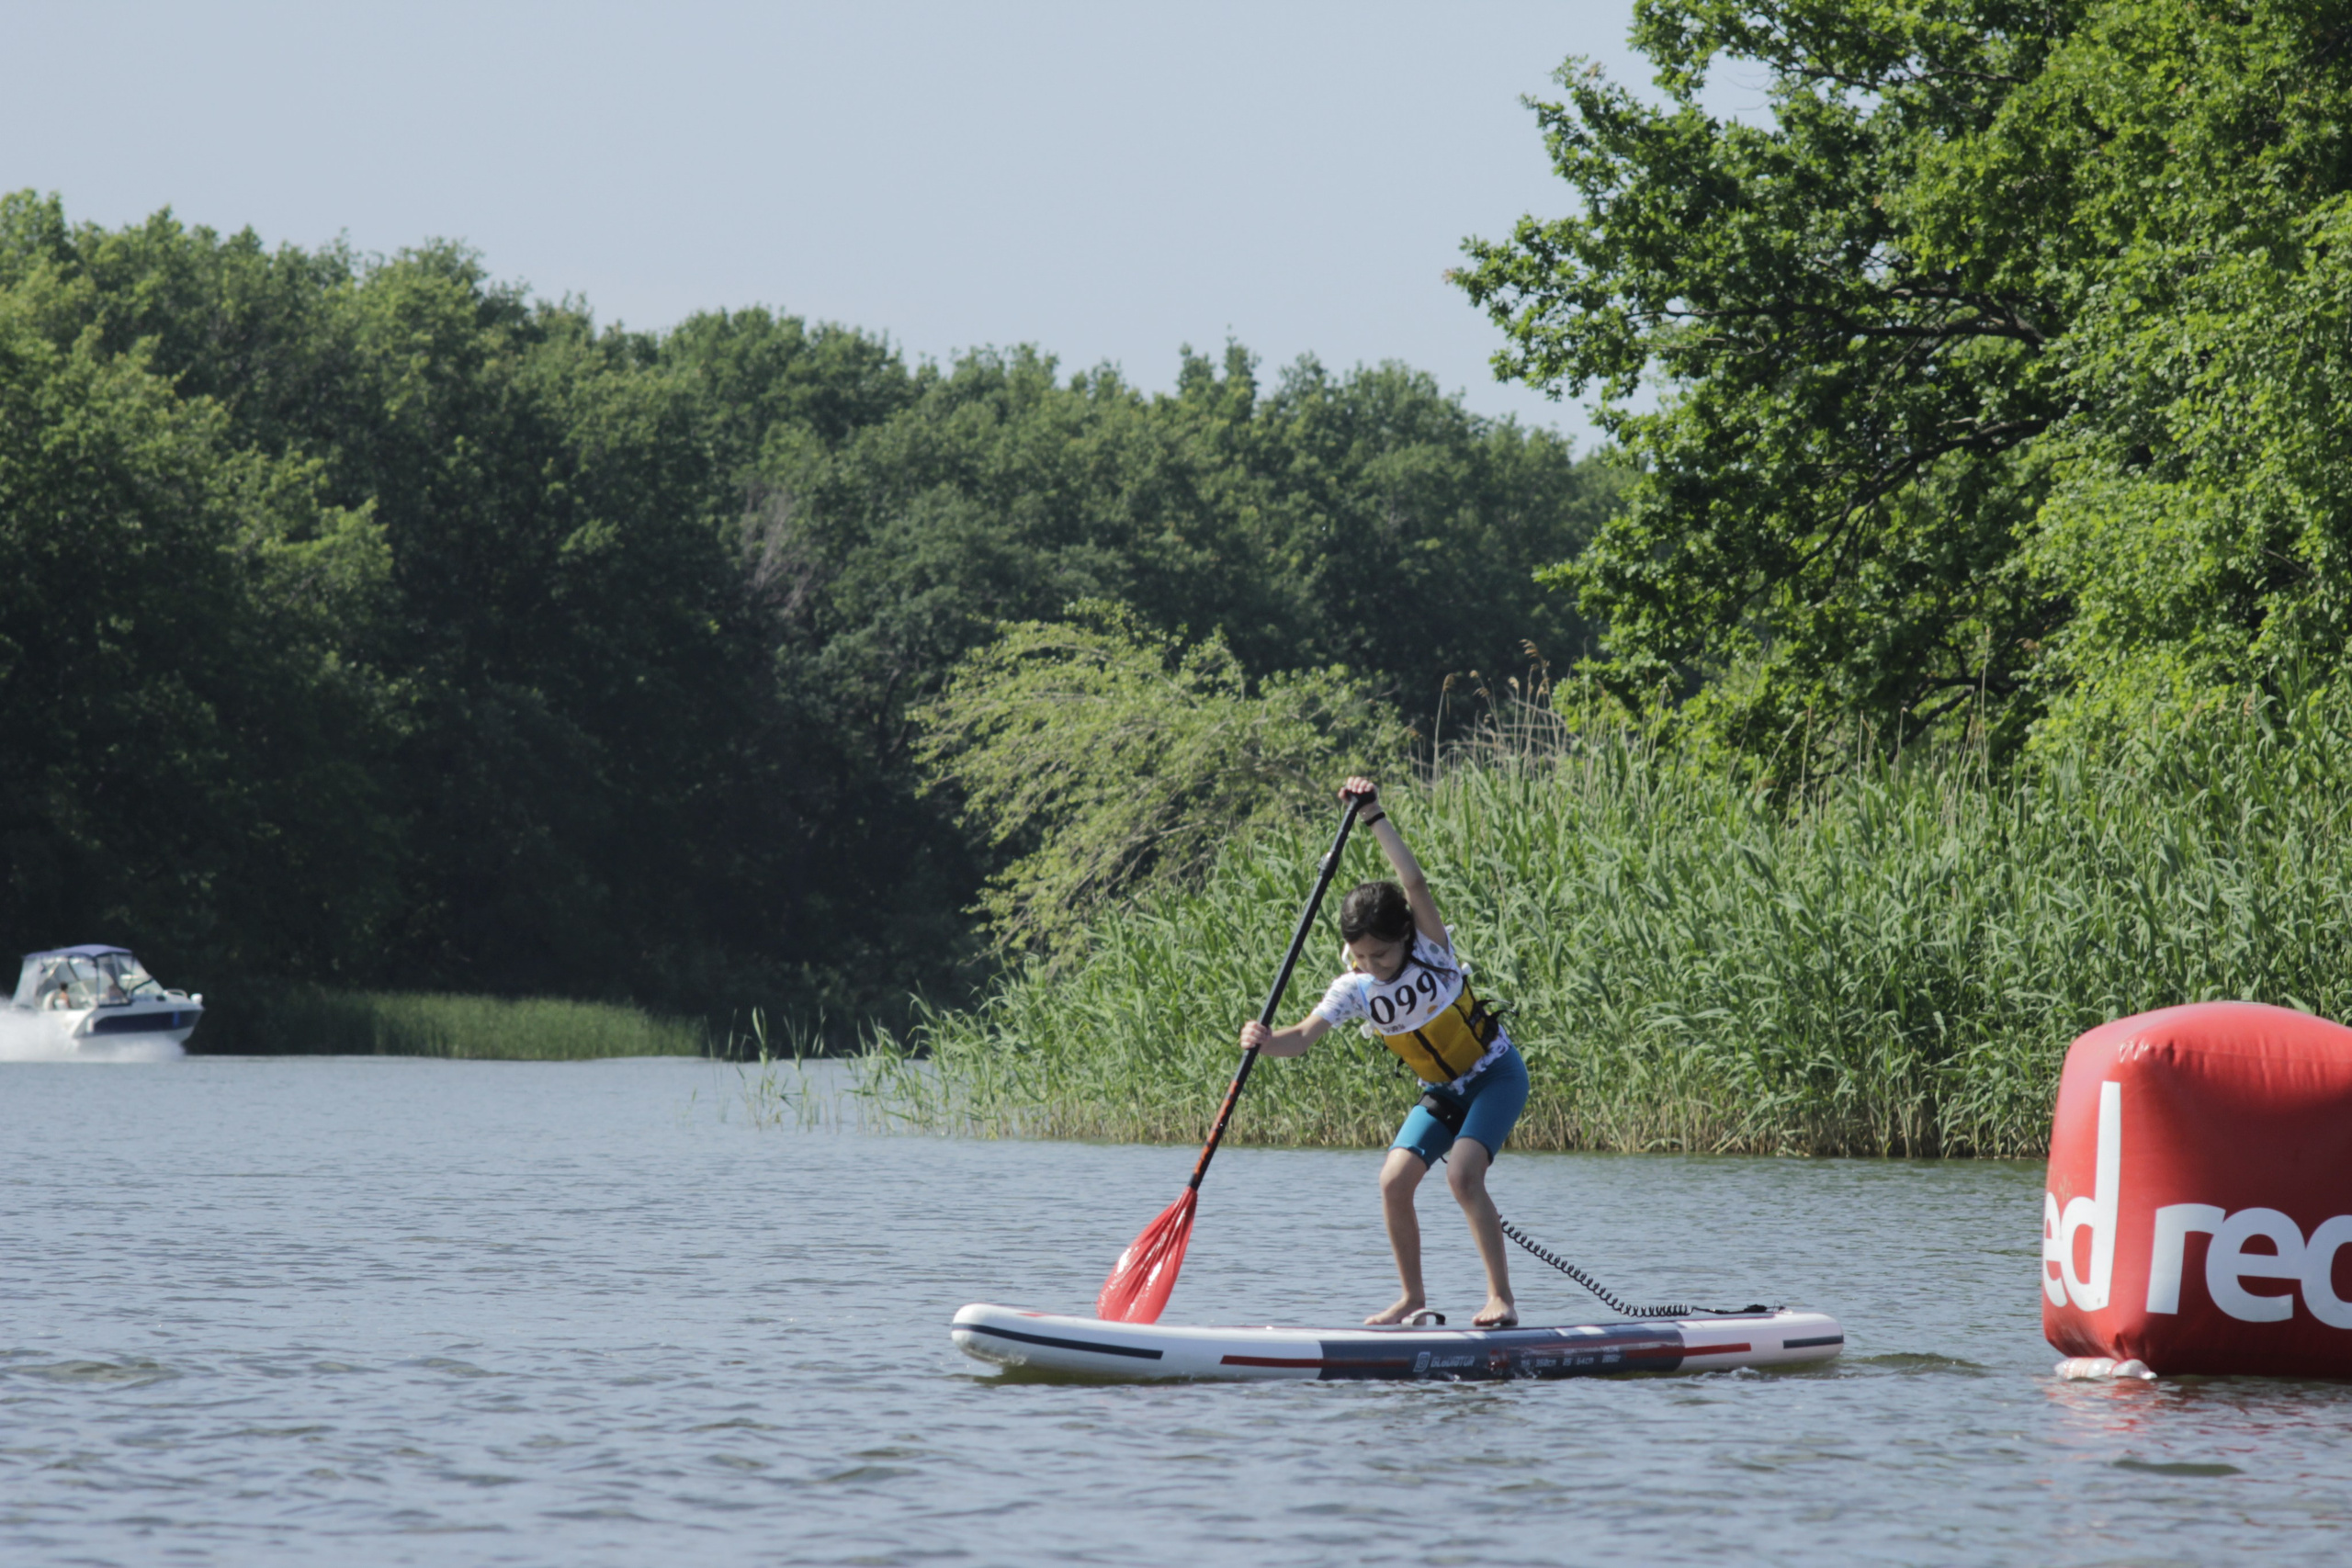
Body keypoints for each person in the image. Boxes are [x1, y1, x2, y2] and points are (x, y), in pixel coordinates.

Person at [1238, 775, 1529, 1327]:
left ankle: (1501, 1300)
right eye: (1361, 956)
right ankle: (1412, 1298)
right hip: (1443, 1091)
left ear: (1405, 938)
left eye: (1381, 955)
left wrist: (1373, 815)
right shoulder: (1354, 988)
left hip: (1494, 1075)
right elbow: (1301, 1038)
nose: (1372, 965)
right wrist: (1265, 1041)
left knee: (1463, 1176)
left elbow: (1413, 882)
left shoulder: (1431, 951)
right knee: (1393, 1182)